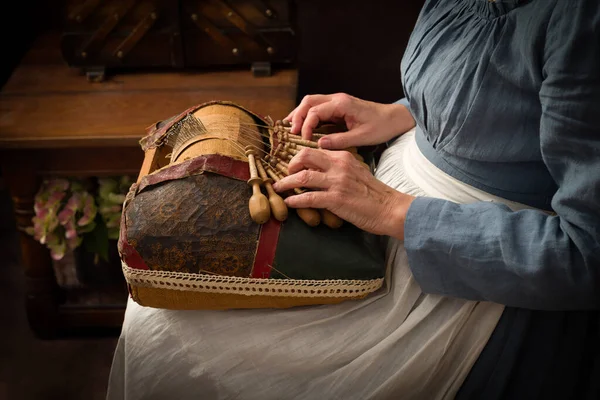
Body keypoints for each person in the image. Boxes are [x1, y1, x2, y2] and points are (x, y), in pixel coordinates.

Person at [108, 1, 600, 398]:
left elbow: (586, 256)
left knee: (165, 335)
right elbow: (510, 98)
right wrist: (402, 113)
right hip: (388, 185)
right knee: (160, 310)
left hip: (468, 252)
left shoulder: (583, 21)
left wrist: (391, 210)